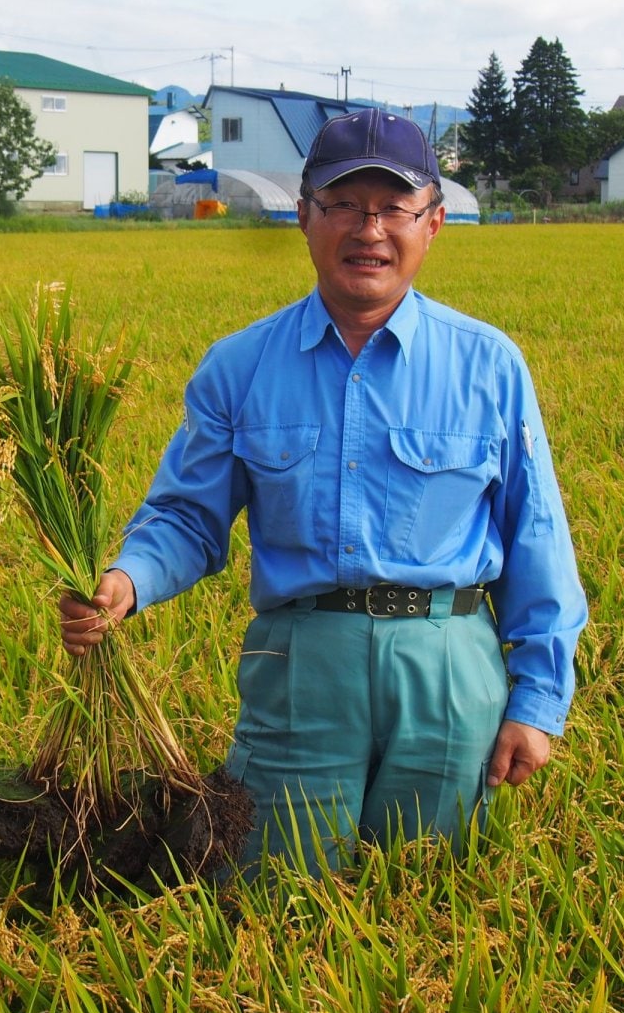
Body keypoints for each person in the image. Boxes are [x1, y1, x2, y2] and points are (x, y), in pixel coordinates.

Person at [60, 107, 587, 873]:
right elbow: (186, 518)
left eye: (393, 208)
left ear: (432, 224)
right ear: (304, 217)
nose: (367, 229)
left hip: (448, 669)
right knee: (274, 899)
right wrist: (124, 581)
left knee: (423, 898)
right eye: (342, 205)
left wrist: (537, 703)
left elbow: (536, 537)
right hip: (303, 666)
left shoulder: (489, 366)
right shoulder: (240, 367)